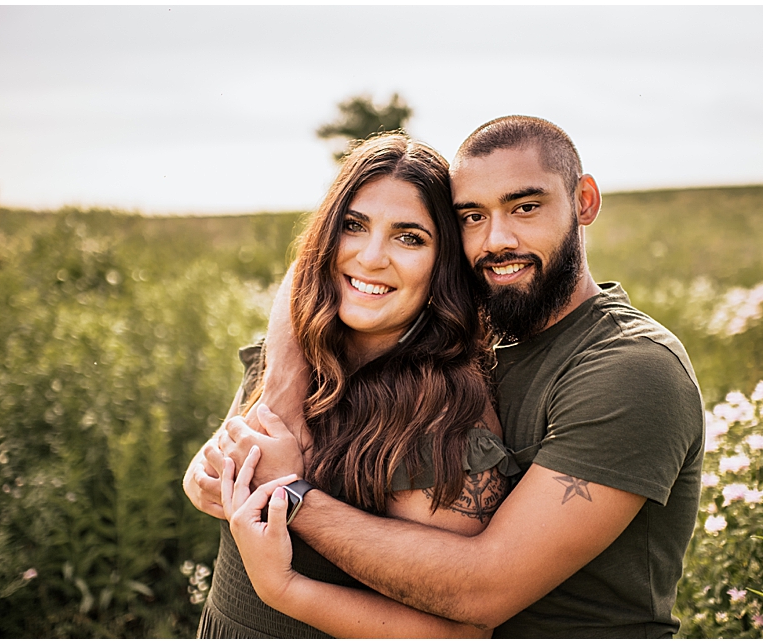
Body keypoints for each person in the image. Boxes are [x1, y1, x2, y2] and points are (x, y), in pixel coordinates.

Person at [212, 116, 706, 637]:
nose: (497, 239)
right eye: (472, 216)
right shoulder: (482, 313)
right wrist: (282, 397)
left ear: (584, 201)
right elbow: (330, 268)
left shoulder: (631, 369)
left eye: (525, 207)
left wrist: (285, 495)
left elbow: (482, 592)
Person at [182, 132, 517, 638]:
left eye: (410, 237)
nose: (370, 257)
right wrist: (206, 480)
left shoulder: (441, 415)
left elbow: (453, 633)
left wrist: (285, 584)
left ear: (444, 264)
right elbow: (209, 469)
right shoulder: (293, 359)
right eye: (353, 226)